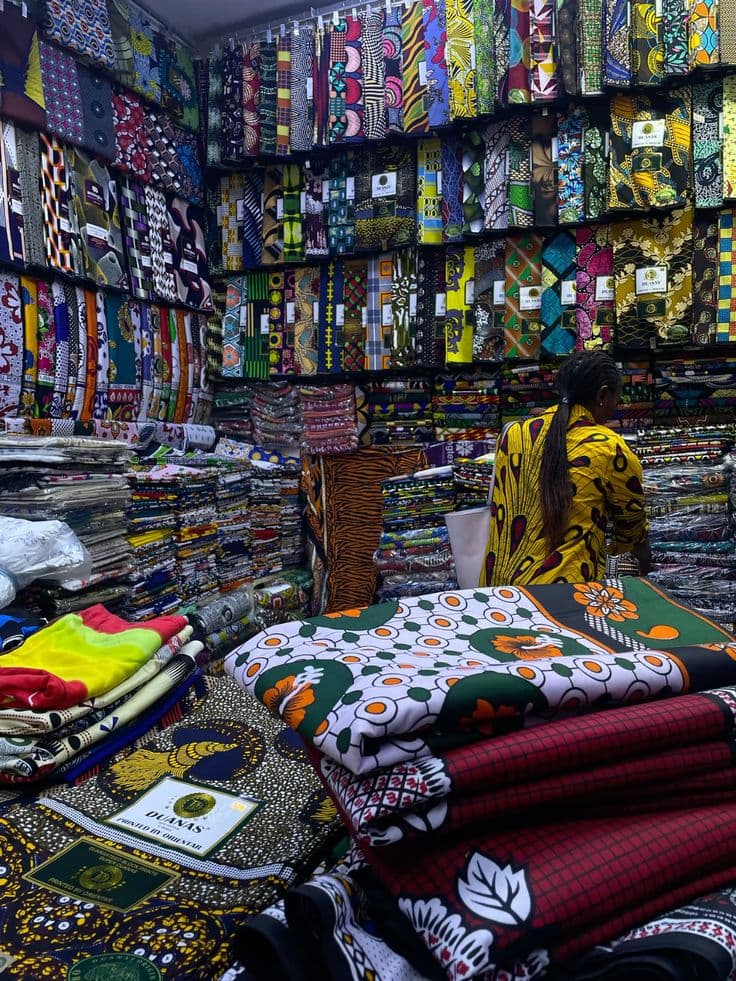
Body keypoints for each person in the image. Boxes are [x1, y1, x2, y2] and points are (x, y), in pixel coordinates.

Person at [481, 350, 651, 587]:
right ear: (603, 395)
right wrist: (643, 567)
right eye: (616, 398)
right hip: (563, 595)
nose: (615, 405)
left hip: (499, 591)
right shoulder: (609, 448)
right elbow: (631, 528)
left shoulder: (513, 435)